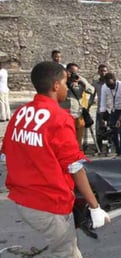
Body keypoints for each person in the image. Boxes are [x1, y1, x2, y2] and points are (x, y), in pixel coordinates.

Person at [1, 61, 110, 257]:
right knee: (66, 253)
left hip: (22, 199)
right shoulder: (59, 118)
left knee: (69, 249)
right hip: (49, 204)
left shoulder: (20, 114)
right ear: (55, 86)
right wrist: (95, 207)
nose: (67, 87)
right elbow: (75, 167)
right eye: (65, 81)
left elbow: (8, 154)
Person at [59, 63, 95, 150]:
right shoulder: (61, 80)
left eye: (75, 72)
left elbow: (92, 90)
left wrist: (82, 83)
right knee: (65, 138)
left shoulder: (80, 80)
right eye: (71, 72)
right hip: (64, 113)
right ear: (67, 71)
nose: (73, 74)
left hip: (77, 113)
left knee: (78, 139)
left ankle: (77, 153)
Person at [99, 72, 121, 155]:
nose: (110, 87)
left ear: (115, 80)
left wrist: (119, 120)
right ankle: (118, 151)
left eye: (111, 85)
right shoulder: (105, 87)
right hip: (113, 109)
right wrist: (102, 118)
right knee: (113, 132)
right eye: (108, 85)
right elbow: (103, 103)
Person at [89, 64, 108, 152]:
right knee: (98, 130)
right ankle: (99, 148)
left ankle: (109, 147)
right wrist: (88, 106)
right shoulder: (96, 84)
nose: (103, 73)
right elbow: (92, 95)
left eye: (104, 71)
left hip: (109, 109)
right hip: (100, 109)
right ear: (98, 72)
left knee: (110, 129)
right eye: (101, 71)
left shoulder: (110, 83)